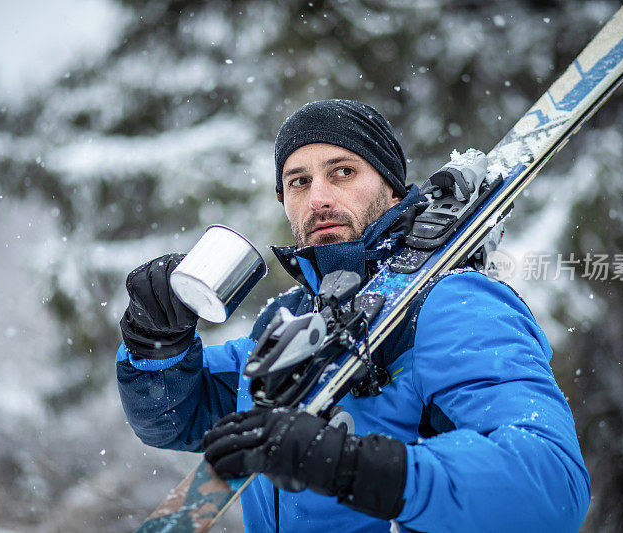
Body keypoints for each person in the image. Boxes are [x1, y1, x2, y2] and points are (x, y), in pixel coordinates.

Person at [116, 99, 591, 532]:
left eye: (341, 172)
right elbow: (180, 417)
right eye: (298, 182)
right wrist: (155, 341)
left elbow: (550, 487)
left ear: (389, 185)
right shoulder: (289, 319)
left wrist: (349, 466)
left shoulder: (451, 302)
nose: (318, 197)